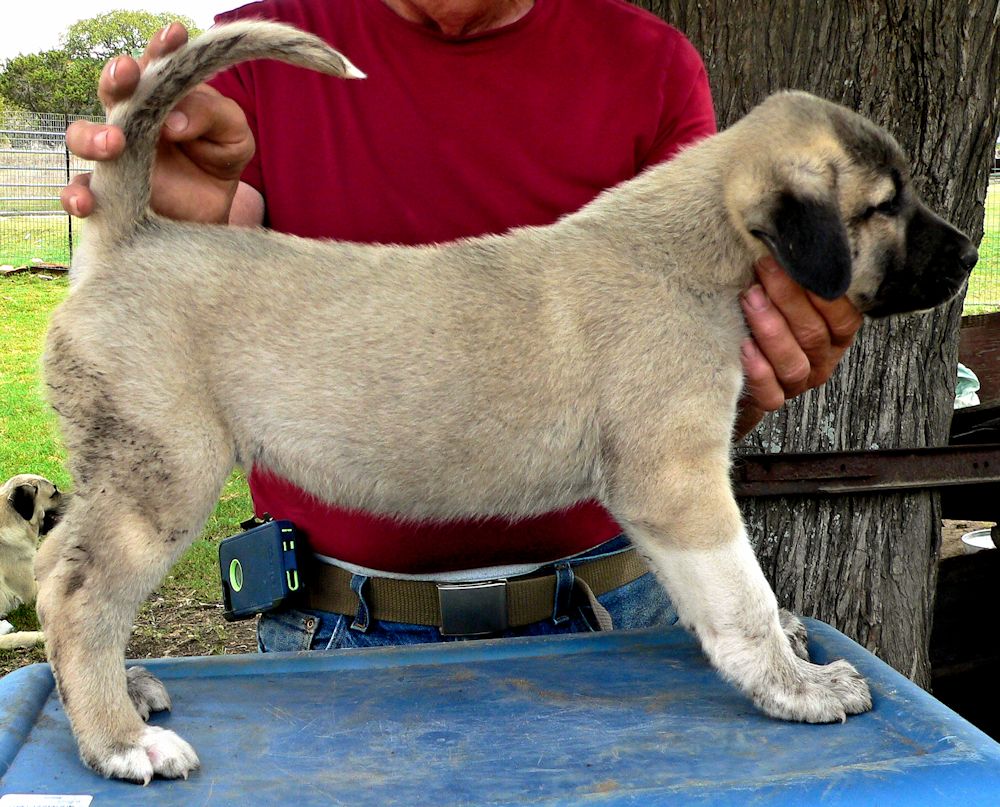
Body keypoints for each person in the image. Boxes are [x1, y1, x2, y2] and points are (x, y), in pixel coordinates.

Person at [62, 0, 862, 652]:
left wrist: (750, 377)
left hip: (611, 610)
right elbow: (232, 310)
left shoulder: (651, 64)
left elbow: (677, 408)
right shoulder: (251, 66)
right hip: (334, 624)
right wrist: (182, 241)